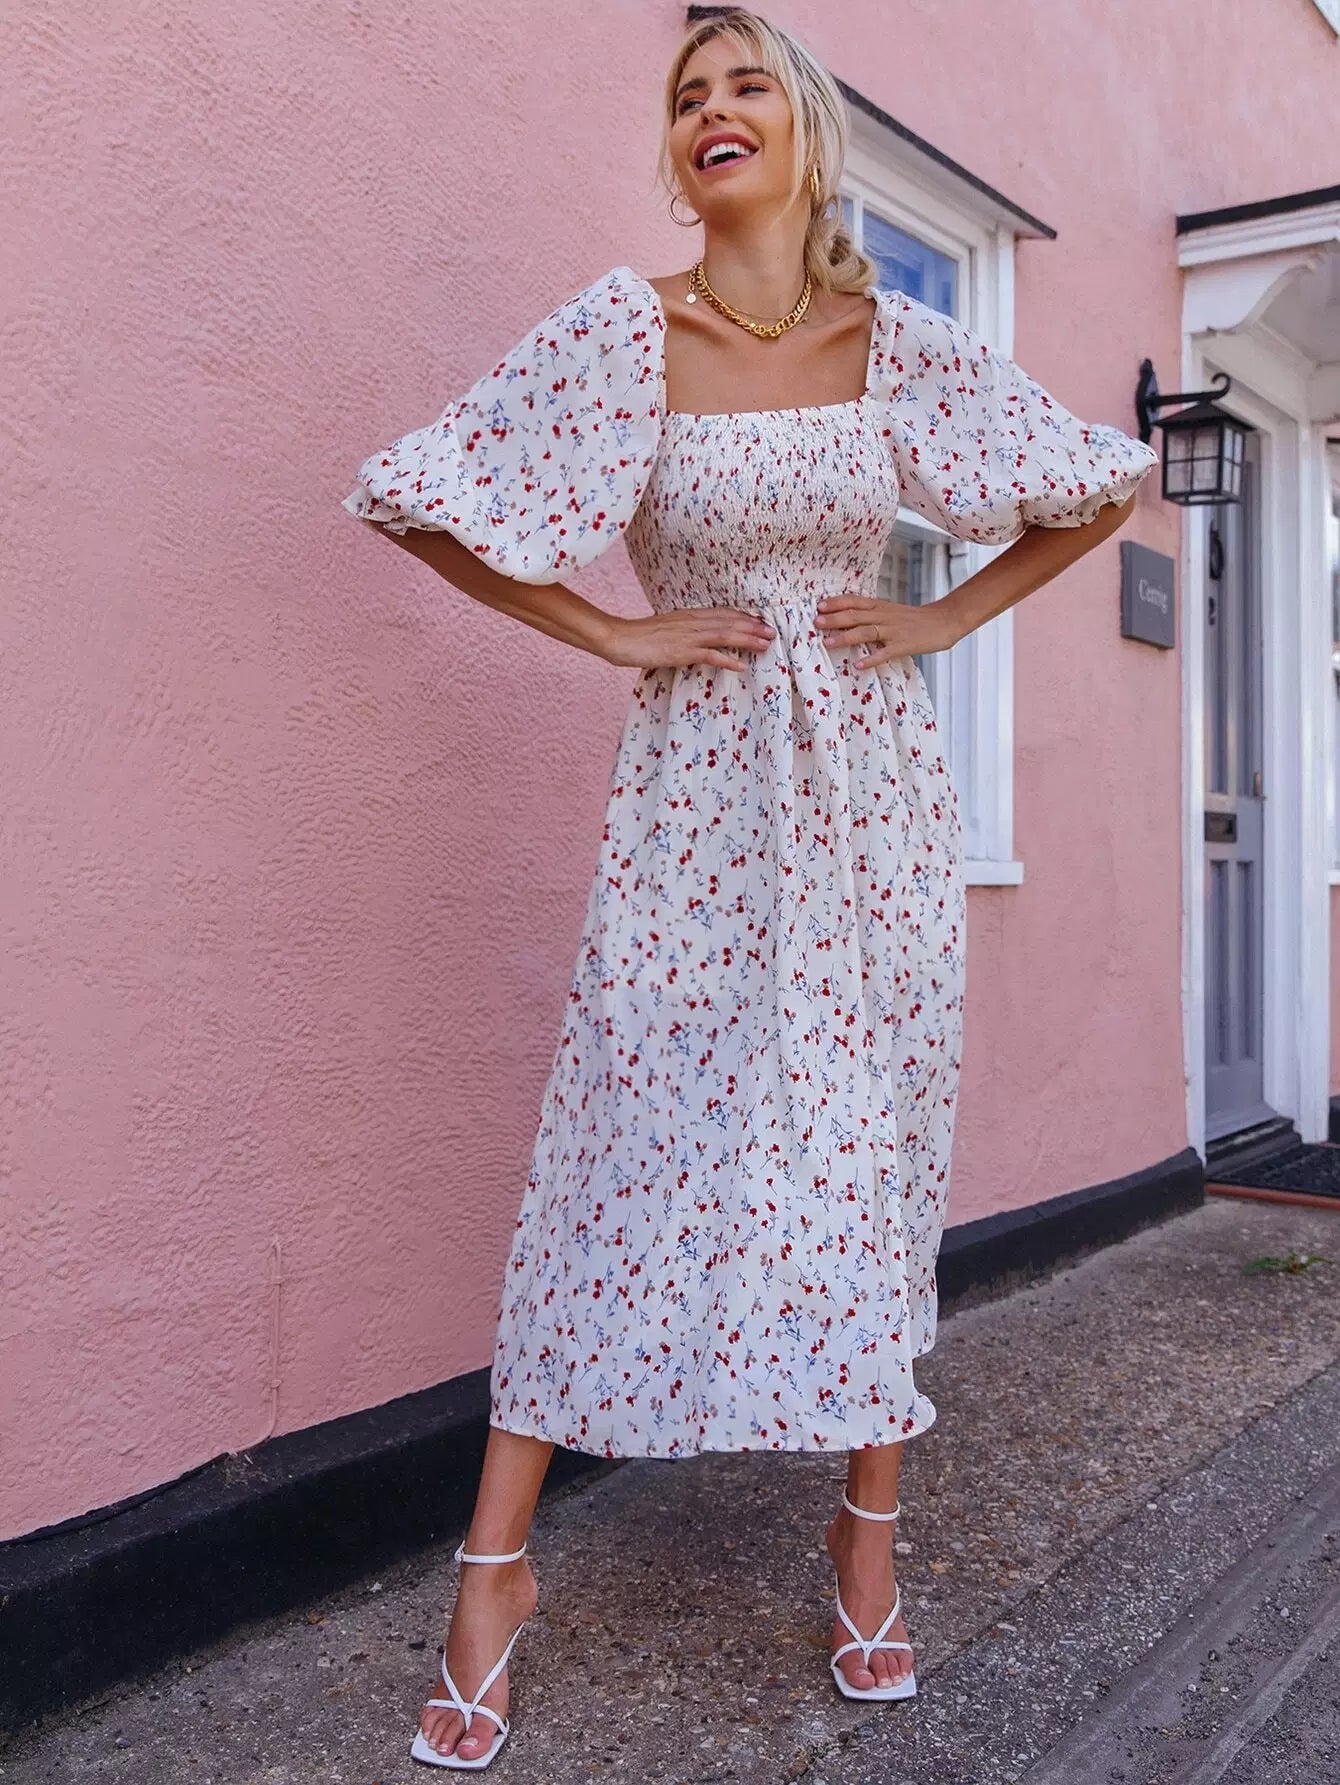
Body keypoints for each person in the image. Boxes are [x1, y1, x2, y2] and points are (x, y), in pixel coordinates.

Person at [341, 8, 1159, 1768]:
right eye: (686, 94)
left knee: (873, 1149)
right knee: (618, 1140)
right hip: (694, 809)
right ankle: (496, 1569)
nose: (712, 110)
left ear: (804, 128)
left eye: (744, 85)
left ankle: (867, 1542)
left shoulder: (896, 344)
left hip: (871, 805)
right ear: (678, 149)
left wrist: (943, 616)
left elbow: (1098, 482)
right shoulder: (627, 334)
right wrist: (610, 629)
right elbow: (422, 496)